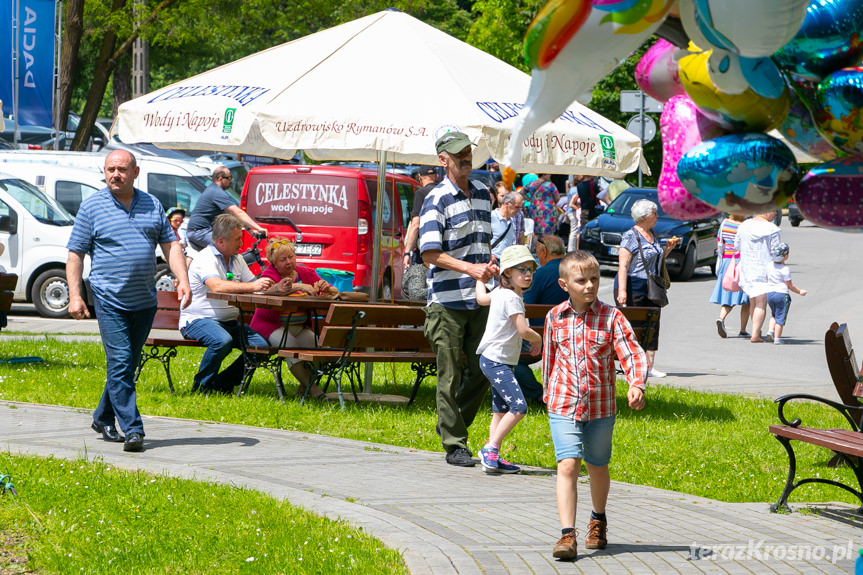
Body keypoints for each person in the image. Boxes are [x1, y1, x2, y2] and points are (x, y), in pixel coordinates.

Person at [66, 149, 191, 453]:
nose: (115, 175)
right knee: (121, 362)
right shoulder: (92, 207)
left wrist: (183, 279)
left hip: (144, 301)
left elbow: (171, 246)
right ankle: (133, 429)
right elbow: (75, 254)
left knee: (128, 365)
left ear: (135, 172)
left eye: (122, 169)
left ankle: (103, 417)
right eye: (110, 169)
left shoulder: (152, 204)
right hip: (109, 299)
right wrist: (75, 296)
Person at [543, 251, 647, 561]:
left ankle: (597, 519)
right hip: (562, 404)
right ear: (565, 284)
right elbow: (549, 358)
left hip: (601, 407)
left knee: (597, 465)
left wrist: (636, 383)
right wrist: (548, 393)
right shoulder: (554, 317)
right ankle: (566, 535)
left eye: (594, 279)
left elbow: (631, 353)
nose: (589, 286)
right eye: (581, 280)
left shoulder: (611, 317)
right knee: (568, 465)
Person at [419, 131, 498, 467]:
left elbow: (483, 244)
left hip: (479, 298)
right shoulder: (435, 198)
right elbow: (429, 253)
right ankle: (454, 444)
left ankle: (452, 424)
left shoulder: (483, 193)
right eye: (457, 153)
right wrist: (470, 268)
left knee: (485, 368)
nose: (466, 156)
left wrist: (491, 266)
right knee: (449, 375)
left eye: (468, 151)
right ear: (442, 160)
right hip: (447, 302)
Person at [179, 214, 281, 395]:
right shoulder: (205, 258)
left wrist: (275, 288)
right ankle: (200, 386)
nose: (241, 244)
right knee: (221, 341)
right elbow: (217, 286)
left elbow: (255, 287)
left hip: (228, 322)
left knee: (263, 347)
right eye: (237, 239)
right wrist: (253, 286)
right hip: (197, 320)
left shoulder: (237, 259)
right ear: (220, 241)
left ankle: (221, 383)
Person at [474, 245, 542, 474]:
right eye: (521, 269)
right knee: (519, 406)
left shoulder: (500, 293)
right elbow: (523, 330)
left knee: (500, 410)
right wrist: (539, 338)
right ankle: (490, 448)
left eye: (531, 269)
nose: (528, 274)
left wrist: (480, 278)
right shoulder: (512, 298)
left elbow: (481, 298)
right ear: (507, 273)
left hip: (493, 359)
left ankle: (493, 455)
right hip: (497, 362)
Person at [250, 237, 337, 400]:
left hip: (299, 327)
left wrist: (328, 288)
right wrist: (294, 286)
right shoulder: (270, 273)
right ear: (274, 263)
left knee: (319, 349)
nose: (288, 262)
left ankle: (303, 387)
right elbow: (264, 291)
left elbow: (333, 290)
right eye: (283, 259)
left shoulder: (305, 272)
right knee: (291, 347)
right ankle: (314, 391)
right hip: (271, 327)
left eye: (291, 257)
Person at [613, 198, 681, 378]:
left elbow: (655, 260)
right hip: (634, 285)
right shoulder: (631, 236)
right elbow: (623, 265)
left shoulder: (652, 234)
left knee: (653, 325)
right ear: (644, 216)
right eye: (654, 213)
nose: (657, 216)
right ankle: (635, 365)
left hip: (652, 285)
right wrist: (622, 291)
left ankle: (649, 367)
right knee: (634, 326)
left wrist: (667, 249)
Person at [517, 234, 568, 404]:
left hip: (544, 340)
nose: (537, 257)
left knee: (509, 358)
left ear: (544, 252)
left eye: (537, 253)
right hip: (572, 337)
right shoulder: (574, 271)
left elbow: (525, 306)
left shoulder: (541, 274)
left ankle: (538, 394)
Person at [185, 166, 267, 251]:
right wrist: (258, 228)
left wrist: (250, 230)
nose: (231, 181)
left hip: (204, 231)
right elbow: (238, 212)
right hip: (199, 232)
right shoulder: (216, 191)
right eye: (229, 178)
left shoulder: (215, 190)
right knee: (228, 246)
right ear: (220, 178)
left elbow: (233, 215)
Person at [734, 210, 781, 343]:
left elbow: (736, 245)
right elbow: (776, 252)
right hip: (765, 269)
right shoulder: (772, 229)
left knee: (753, 301)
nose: (775, 215)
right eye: (774, 212)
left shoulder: (744, 225)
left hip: (747, 268)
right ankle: (755, 334)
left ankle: (756, 330)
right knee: (761, 304)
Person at [709, 213, 750, 338]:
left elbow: (720, 244)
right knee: (746, 299)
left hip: (727, 261)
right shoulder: (745, 226)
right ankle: (743, 330)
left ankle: (721, 318)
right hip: (740, 262)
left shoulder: (725, 223)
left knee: (728, 296)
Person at [764, 242, 807, 345]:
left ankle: (770, 330)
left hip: (770, 293)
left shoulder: (769, 265)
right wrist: (799, 291)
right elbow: (789, 285)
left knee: (774, 314)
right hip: (781, 294)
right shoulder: (785, 269)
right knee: (780, 317)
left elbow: (766, 278)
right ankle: (777, 338)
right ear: (785, 256)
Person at [403, 166, 439, 269]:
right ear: (435, 176)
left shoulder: (421, 193)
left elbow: (416, 225)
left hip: (424, 251)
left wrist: (407, 252)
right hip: (443, 250)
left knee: (419, 283)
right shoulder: (443, 192)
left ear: (419, 177)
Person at [523, 173, 560, 238]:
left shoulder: (531, 184)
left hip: (535, 211)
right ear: (544, 175)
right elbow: (557, 198)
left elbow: (521, 193)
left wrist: (530, 199)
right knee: (549, 234)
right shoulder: (550, 185)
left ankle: (537, 246)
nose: (550, 175)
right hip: (549, 212)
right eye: (548, 174)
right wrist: (551, 203)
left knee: (536, 233)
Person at [490, 192, 519, 259]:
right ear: (506, 204)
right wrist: (489, 255)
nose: (519, 211)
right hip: (493, 261)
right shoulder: (491, 217)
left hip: (506, 261)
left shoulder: (511, 221)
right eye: (517, 207)